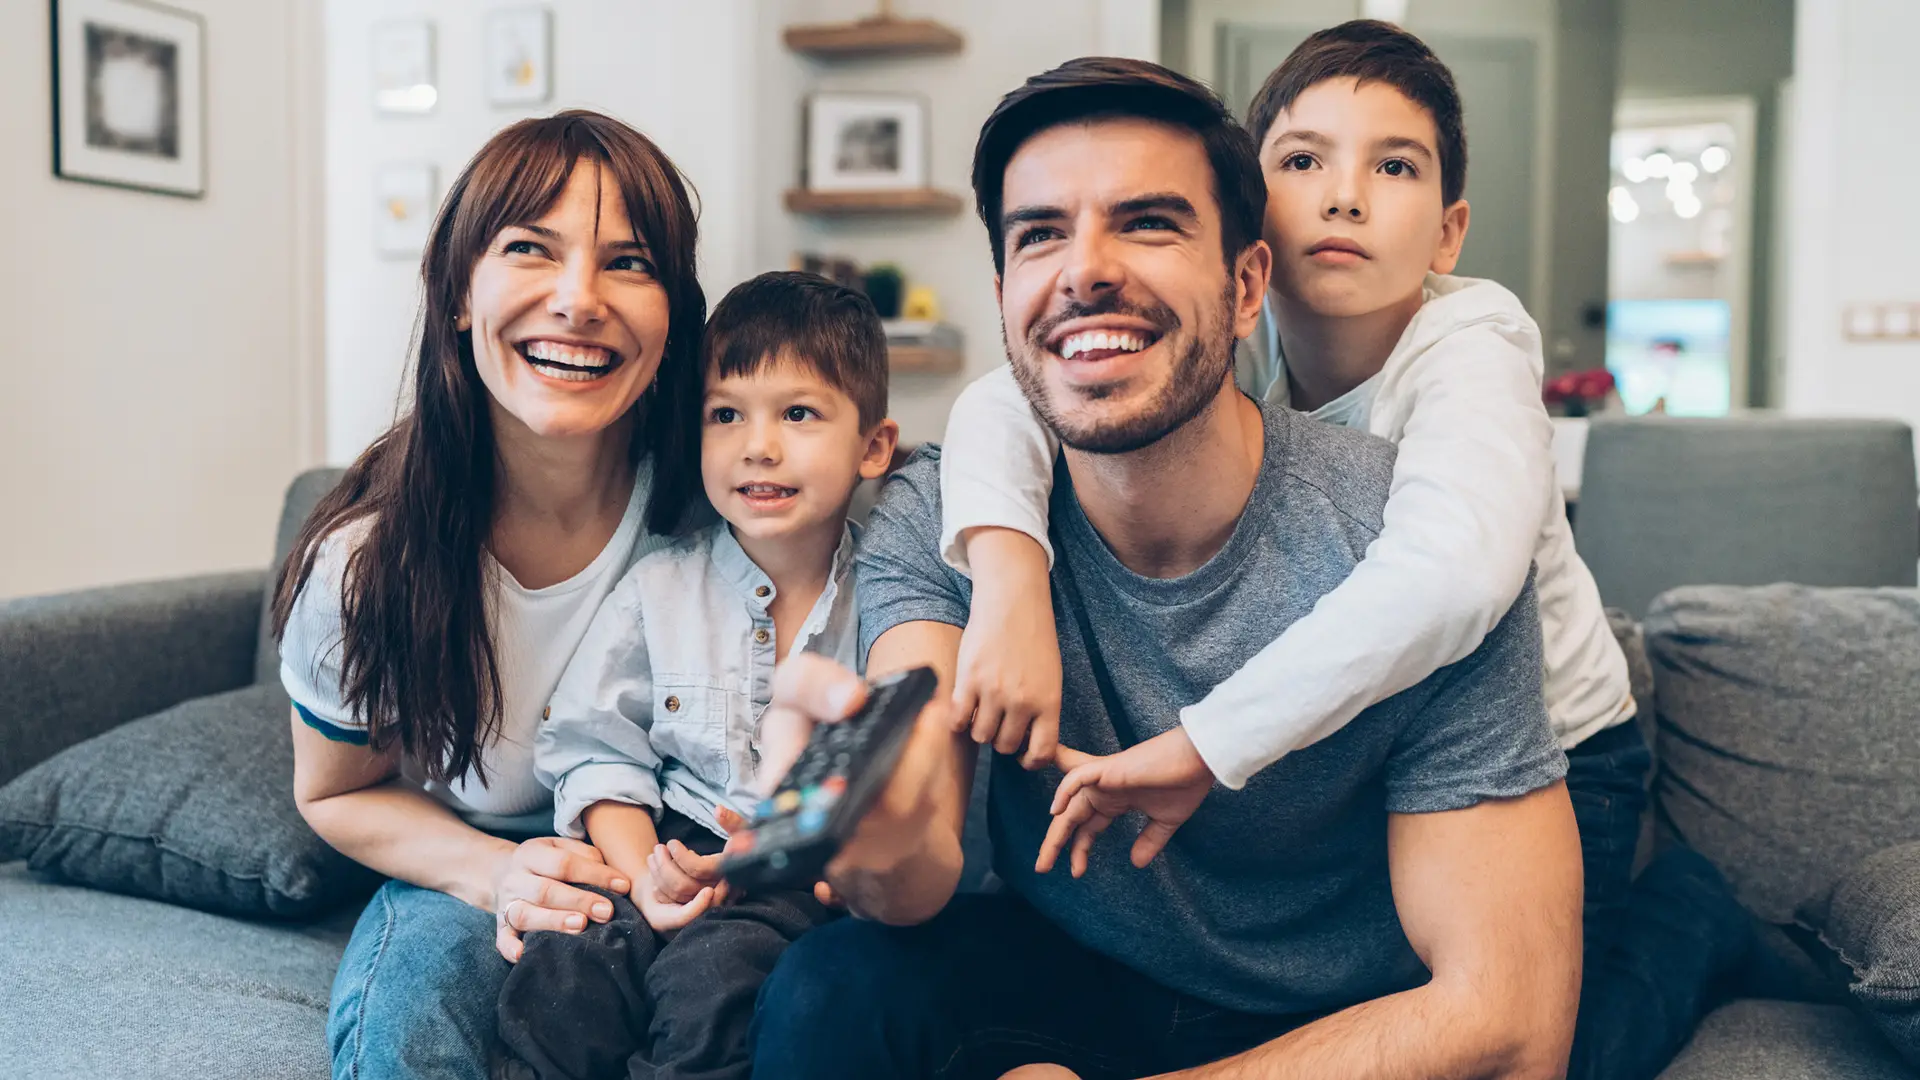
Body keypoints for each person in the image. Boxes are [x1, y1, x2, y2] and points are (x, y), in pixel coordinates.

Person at [940, 24, 1755, 1079]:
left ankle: (1694, 919)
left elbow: (1450, 578)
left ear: (1450, 232)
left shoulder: (1474, 349)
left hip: (1553, 746)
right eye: (1304, 159)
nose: (1346, 195)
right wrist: (1009, 575)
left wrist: (1204, 742)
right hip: (1380, 739)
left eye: (1395, 166)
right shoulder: (1232, 344)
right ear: (1254, 230)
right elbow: (1005, 394)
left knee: (1559, 1041)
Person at [748, 57, 1582, 1079]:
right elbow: (916, 846)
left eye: (1147, 223)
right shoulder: (948, 508)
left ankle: (1692, 925)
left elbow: (1510, 1022)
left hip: (1339, 1010)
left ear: (1245, 287)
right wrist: (871, 835)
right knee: (832, 988)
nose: (1084, 270)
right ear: (1008, 292)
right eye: (1040, 234)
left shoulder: (1423, 538)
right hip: (1085, 967)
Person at [274, 111, 707, 1080]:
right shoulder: (363, 563)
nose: (578, 300)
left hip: (689, 862)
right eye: (530, 251)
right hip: (477, 859)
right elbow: (335, 792)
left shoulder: (726, 512)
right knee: (411, 1022)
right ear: (458, 293)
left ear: (675, 313)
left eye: (629, 263)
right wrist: (495, 872)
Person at [493, 271, 899, 1080]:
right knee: (561, 970)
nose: (759, 445)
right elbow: (592, 747)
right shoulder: (659, 587)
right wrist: (644, 871)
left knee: (715, 985)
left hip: (793, 879)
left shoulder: (891, 603)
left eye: (798, 414)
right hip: (661, 845)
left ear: (874, 448)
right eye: (726, 415)